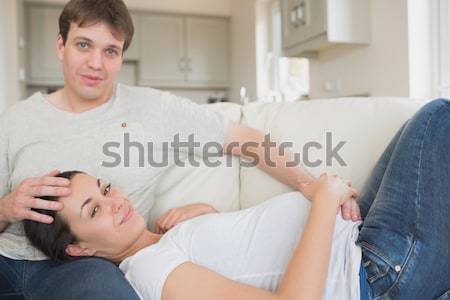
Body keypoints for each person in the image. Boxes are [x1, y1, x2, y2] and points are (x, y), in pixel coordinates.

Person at [0, 0, 361, 299]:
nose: (97, 63)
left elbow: (241, 138)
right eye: (83, 45)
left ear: (122, 55)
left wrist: (310, 186)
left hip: (85, 265)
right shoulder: (16, 120)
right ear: (60, 45)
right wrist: (7, 207)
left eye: (110, 50)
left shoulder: (153, 109)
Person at [24, 98, 450, 300]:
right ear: (80, 248)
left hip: (360, 236)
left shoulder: (164, 240)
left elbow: (243, 252)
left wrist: (204, 215)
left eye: (104, 188)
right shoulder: (151, 271)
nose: (114, 200)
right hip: (376, 274)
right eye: (94, 209)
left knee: (428, 122)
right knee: (438, 117)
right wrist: (323, 200)